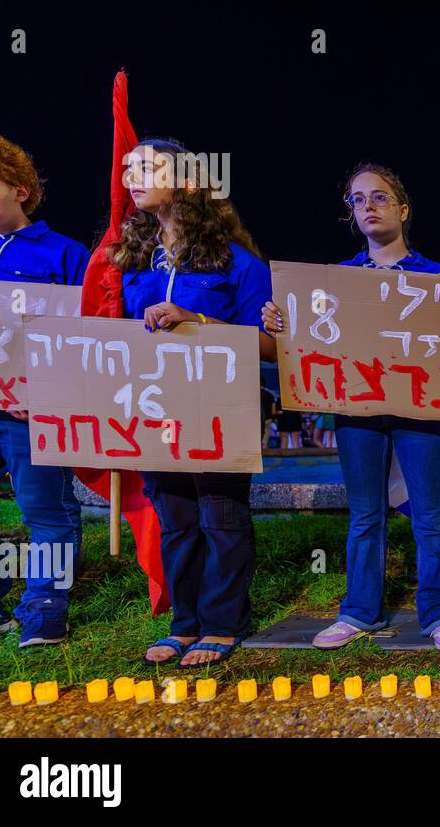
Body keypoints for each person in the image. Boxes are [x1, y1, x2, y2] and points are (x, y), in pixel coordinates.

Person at [261, 163, 440, 652]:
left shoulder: (439, 279)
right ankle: (359, 611)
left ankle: (439, 611)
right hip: (357, 412)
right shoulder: (335, 283)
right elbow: (309, 342)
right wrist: (279, 322)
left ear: (403, 209)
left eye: (379, 197)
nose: (367, 206)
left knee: (429, 514)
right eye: (357, 200)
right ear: (351, 215)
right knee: (365, 515)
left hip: (424, 411)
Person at [120, 139, 278, 668]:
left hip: (221, 406)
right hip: (154, 408)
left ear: (188, 180)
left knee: (221, 514)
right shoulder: (129, 261)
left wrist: (198, 321)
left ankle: (222, 622)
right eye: (129, 168)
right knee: (176, 516)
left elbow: (271, 345)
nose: (132, 176)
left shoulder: (240, 263)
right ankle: (184, 622)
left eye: (148, 167)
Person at [0, 123, 88, 647]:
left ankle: (44, 607)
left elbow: (87, 337)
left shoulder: (62, 255)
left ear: (19, 190)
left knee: (46, 510)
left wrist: (52, 391)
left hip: (29, 412)